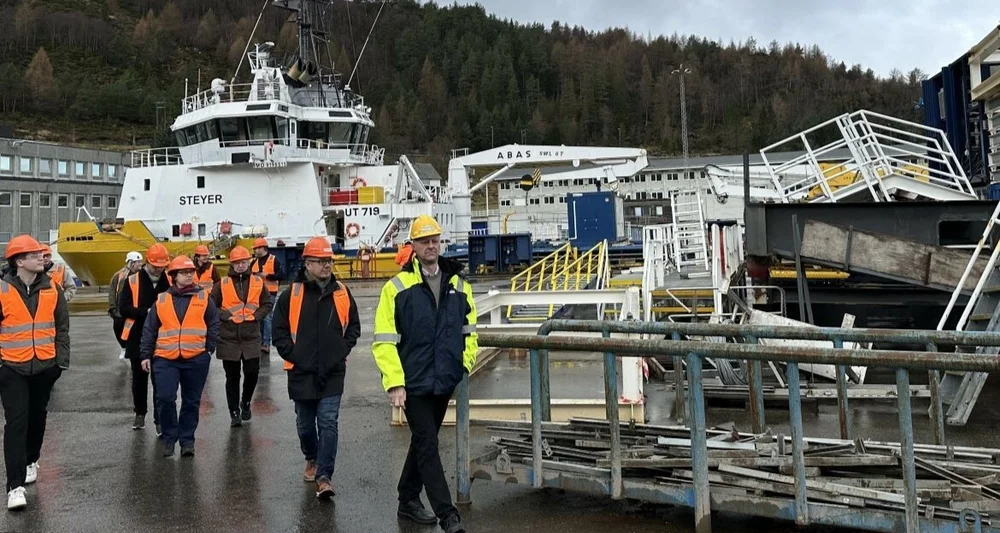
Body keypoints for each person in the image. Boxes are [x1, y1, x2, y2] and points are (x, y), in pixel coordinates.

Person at [372, 215, 477, 533]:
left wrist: (464, 365)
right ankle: (448, 516)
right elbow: (384, 339)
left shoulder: (460, 286)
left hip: (445, 378)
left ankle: (407, 499)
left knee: (423, 440)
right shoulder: (397, 288)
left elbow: (469, 332)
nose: (430, 246)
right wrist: (394, 382)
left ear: (439, 243)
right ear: (414, 247)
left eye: (434, 240)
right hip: (413, 382)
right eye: (423, 241)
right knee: (428, 444)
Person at [272, 237, 360, 499]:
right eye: (321, 261)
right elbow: (279, 332)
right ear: (307, 263)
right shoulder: (292, 294)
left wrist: (340, 351)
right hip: (301, 372)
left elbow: (353, 327)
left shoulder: (342, 292)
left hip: (332, 372)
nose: (326, 266)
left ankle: (324, 476)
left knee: (329, 422)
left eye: (329, 261)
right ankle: (311, 457)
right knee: (305, 425)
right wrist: (295, 355)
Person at [0, 235, 70, 511]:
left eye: (41, 254)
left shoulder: (53, 289)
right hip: (12, 368)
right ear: (19, 261)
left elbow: (62, 328)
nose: (42, 257)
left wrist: (60, 363)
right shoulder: (3, 291)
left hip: (44, 367)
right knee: (16, 423)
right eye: (34, 254)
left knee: (37, 418)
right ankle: (14, 486)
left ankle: (31, 459)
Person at [140, 255, 219, 457]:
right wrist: (145, 355)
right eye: (183, 273)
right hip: (166, 358)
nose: (188, 275)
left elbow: (213, 323)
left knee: (191, 402)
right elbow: (150, 328)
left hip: (195, 358)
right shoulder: (162, 299)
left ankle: (187, 441)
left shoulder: (203, 298)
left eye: (190, 272)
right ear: (173, 276)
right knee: (165, 399)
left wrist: (208, 349)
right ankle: (169, 438)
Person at [209, 246, 272, 427]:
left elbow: (267, 303)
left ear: (248, 263)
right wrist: (226, 316)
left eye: (243, 262)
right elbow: (212, 306)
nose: (240, 266)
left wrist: (256, 316)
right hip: (228, 337)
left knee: (252, 373)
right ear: (232, 264)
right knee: (232, 376)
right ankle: (234, 412)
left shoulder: (258, 283)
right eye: (237, 263)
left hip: (251, 335)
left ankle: (245, 402)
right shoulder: (222, 284)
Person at [118, 243, 171, 433]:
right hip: (138, 337)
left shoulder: (170, 281)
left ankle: (159, 419)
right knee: (139, 379)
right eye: (156, 266)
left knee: (161, 381)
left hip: (163, 338)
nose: (159, 269)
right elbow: (123, 308)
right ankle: (140, 412)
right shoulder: (132, 281)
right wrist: (146, 312)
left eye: (162, 266)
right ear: (147, 262)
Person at [250, 238, 283, 355]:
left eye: (256, 248)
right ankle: (260, 342)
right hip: (257, 294)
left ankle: (266, 344)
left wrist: (267, 276)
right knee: (259, 318)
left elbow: (281, 275)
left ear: (263, 248)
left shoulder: (273, 260)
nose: (255, 250)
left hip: (270, 293)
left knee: (267, 318)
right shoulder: (254, 262)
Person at [109, 251, 144, 359]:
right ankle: (124, 348)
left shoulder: (142, 275)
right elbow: (112, 292)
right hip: (120, 310)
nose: (140, 264)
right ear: (131, 263)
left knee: (134, 332)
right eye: (138, 262)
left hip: (134, 309)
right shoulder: (118, 276)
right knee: (118, 329)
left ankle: (132, 350)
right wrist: (112, 308)